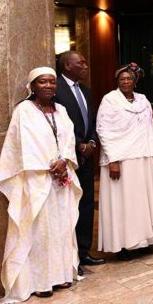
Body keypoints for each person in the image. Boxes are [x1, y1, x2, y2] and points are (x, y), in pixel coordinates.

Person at [0, 67, 82, 304]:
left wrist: (64, 161)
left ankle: (62, 275)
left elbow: (69, 138)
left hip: (61, 180)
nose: (48, 86)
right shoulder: (24, 110)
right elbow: (21, 145)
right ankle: (41, 282)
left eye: (52, 82)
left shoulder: (61, 110)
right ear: (32, 85)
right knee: (40, 232)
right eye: (42, 82)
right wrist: (48, 166)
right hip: (37, 180)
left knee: (61, 228)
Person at [96, 63, 153, 260]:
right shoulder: (109, 100)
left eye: (129, 79)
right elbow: (103, 130)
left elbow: (149, 128)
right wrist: (113, 160)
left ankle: (143, 241)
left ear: (135, 81)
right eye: (122, 79)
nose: (126, 82)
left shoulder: (142, 100)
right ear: (117, 82)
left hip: (142, 158)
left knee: (141, 202)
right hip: (121, 160)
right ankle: (124, 245)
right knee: (123, 204)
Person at [54, 51, 105, 273]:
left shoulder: (85, 89)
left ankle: (84, 252)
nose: (86, 65)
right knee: (67, 207)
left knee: (85, 206)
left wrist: (92, 141)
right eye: (80, 63)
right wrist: (77, 145)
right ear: (66, 66)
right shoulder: (55, 88)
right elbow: (56, 125)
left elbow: (92, 119)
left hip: (86, 156)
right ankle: (70, 257)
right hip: (67, 158)